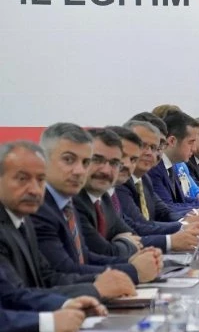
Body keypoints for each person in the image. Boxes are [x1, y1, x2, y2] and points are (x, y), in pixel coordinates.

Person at [0, 140, 135, 300]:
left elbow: (47, 277)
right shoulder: (38, 213)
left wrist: (102, 281)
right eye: (22, 179)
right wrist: (96, 289)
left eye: (41, 180)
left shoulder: (24, 220)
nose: (34, 190)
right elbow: (11, 297)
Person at [31, 123, 161, 285]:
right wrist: (133, 271)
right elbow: (63, 271)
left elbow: (84, 257)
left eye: (86, 162)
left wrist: (131, 262)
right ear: (42, 160)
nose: (79, 170)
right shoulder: (39, 207)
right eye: (68, 159)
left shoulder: (67, 203)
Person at [112, 124, 199, 252]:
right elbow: (137, 228)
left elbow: (163, 212)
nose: (150, 153)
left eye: (154, 148)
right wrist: (172, 238)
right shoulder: (119, 184)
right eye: (143, 146)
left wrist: (184, 224)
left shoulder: (144, 178)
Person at [73, 128, 142, 258]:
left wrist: (121, 243)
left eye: (114, 163)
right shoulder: (73, 201)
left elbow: (133, 235)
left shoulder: (104, 197)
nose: (106, 170)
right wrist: (126, 244)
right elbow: (104, 253)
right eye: (97, 160)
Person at [147, 110, 199, 219]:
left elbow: (181, 201)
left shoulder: (171, 166)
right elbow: (166, 210)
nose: (194, 147)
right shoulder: (154, 168)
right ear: (172, 141)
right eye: (191, 142)